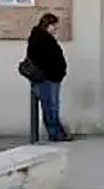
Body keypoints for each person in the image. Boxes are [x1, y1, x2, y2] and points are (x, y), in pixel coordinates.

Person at [26, 12, 71, 142]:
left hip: (52, 77)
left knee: (51, 106)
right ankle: (55, 133)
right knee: (50, 107)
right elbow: (39, 58)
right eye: (54, 25)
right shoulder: (40, 39)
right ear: (47, 25)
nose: (56, 28)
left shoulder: (44, 38)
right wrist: (53, 70)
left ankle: (57, 133)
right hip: (47, 78)